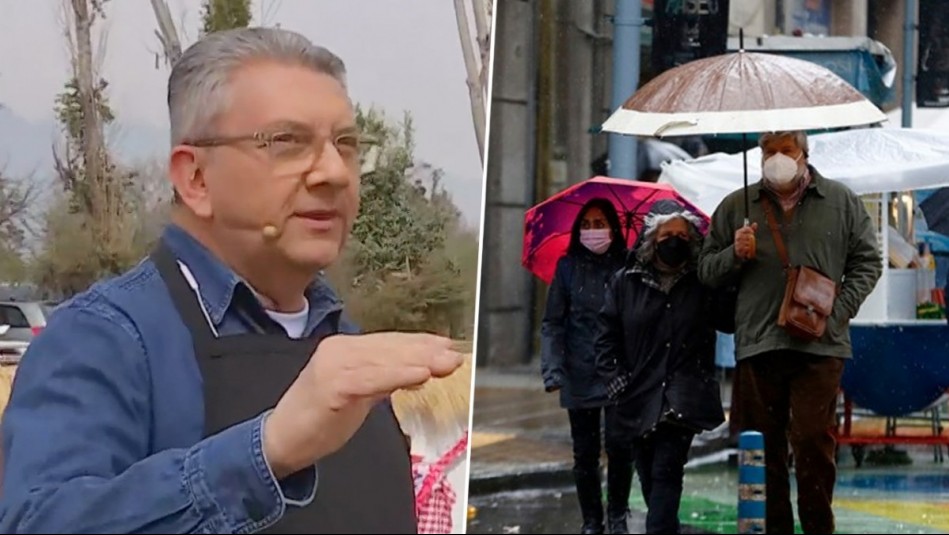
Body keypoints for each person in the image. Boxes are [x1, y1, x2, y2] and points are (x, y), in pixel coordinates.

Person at [0, 27, 464, 534]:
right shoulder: (105, 339)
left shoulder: (346, 342)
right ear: (195, 178)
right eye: (287, 142)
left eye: (347, 144)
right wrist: (267, 451)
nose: (333, 172)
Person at [698, 130, 882, 534]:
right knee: (765, 449)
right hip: (760, 342)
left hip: (821, 344)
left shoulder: (840, 201)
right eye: (768, 150)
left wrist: (839, 310)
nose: (776, 157)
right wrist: (734, 253)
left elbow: (868, 261)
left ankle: (818, 526)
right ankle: (775, 527)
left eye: (786, 149)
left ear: (804, 154)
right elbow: (705, 271)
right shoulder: (736, 206)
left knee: (813, 440)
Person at [595, 199, 726, 535]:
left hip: (683, 396)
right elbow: (606, 338)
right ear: (652, 238)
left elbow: (728, 318)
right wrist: (616, 380)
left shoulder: (702, 282)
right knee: (650, 477)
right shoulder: (625, 283)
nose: (674, 241)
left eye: (682, 235)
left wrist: (733, 264)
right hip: (637, 395)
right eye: (668, 234)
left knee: (667, 471)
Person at [540, 198, 631, 534]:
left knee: (621, 447)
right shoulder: (567, 268)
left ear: (613, 227)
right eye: (587, 225)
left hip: (619, 374)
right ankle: (592, 520)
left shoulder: (627, 265)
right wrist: (553, 370)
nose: (593, 231)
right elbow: (553, 322)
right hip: (579, 371)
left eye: (600, 223)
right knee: (585, 454)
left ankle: (618, 515)